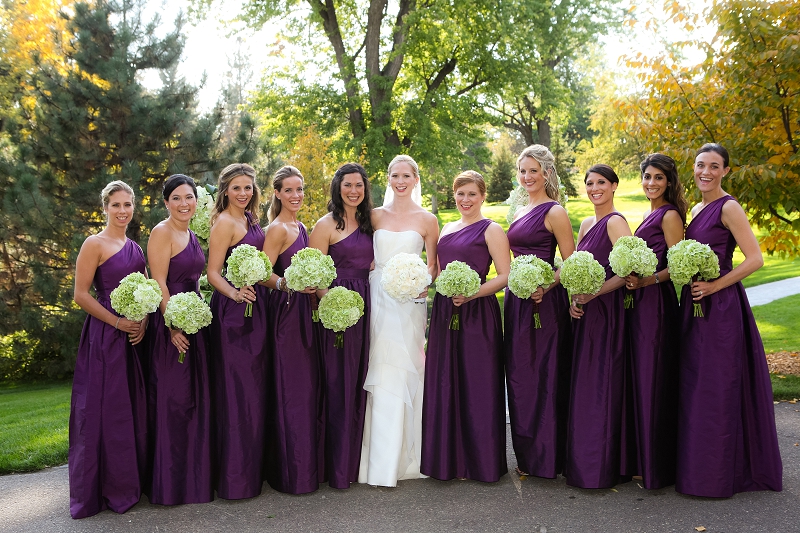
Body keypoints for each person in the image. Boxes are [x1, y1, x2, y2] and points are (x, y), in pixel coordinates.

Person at [676, 143, 782, 497]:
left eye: (714, 166)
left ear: (725, 171)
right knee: (697, 386)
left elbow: (755, 259)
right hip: (695, 308)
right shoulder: (696, 207)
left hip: (721, 309)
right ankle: (698, 467)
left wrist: (714, 286)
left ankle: (719, 474)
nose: (705, 172)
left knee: (717, 387)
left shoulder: (729, 207)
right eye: (700, 165)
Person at [421, 170, 509, 482]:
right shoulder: (446, 227)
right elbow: (438, 269)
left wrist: (473, 292)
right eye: (460, 194)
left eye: (472, 194)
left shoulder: (492, 229)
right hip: (446, 311)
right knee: (446, 381)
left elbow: (504, 275)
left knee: (478, 383)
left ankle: (481, 462)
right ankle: (449, 460)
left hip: (478, 313)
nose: (465, 200)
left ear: (483, 196)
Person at [358, 154, 439, 487]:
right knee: (379, 367)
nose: (400, 181)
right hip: (378, 300)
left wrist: (418, 284)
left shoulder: (428, 220)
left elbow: (433, 267)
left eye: (407, 175)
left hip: (411, 302)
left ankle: (408, 456)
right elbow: (360, 256)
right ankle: (377, 459)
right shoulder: (374, 216)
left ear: (416, 179)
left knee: (407, 367)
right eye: (395, 175)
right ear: (388, 178)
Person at [69, 181, 148, 519]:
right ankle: (96, 491)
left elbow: (146, 290)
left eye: (127, 205)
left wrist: (141, 322)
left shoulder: (136, 248)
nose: (122, 211)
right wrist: (116, 323)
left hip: (132, 339)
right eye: (115, 205)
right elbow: (81, 295)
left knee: (127, 411)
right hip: (103, 337)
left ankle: (125, 486)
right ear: (104, 208)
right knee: (101, 410)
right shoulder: (94, 243)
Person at [504, 145, 575, 479]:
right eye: (522, 171)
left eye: (533, 170)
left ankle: (549, 458)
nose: (527, 177)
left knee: (544, 376)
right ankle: (528, 457)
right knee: (520, 378)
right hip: (518, 301)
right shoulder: (519, 208)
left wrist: (545, 286)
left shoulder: (554, 211)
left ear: (547, 172)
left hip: (545, 304)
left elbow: (571, 262)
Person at [145, 174, 213, 505]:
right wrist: (173, 325)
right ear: (166, 203)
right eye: (177, 198)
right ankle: (170, 483)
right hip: (171, 325)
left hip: (195, 321)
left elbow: (196, 279)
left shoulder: (190, 232)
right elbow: (158, 281)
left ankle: (193, 478)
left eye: (189, 197)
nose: (184, 203)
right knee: (174, 401)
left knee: (192, 401)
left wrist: (198, 317)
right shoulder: (162, 233)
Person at [565, 164, 632, 489]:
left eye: (601, 182)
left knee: (601, 385)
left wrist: (593, 294)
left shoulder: (616, 222)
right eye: (589, 183)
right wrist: (574, 301)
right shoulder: (586, 223)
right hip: (586, 315)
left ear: (614, 185)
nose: (594, 188)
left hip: (608, 314)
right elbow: (575, 268)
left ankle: (601, 467)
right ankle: (582, 462)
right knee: (584, 387)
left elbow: (626, 273)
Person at [622, 154, 686, 489]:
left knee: (652, 378)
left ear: (670, 182)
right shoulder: (650, 213)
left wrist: (649, 281)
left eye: (658, 178)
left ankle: (656, 465)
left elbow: (677, 265)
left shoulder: (670, 214)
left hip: (657, 306)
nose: (651, 183)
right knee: (640, 378)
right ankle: (641, 457)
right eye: (647, 177)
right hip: (638, 304)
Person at [309, 163, 374, 489]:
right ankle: (336, 467)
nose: (353, 191)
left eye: (359, 185)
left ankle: (360, 463)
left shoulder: (370, 222)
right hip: (339, 313)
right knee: (340, 383)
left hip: (371, 306)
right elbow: (315, 274)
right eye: (348, 185)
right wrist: (334, 304)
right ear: (338, 187)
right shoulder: (325, 226)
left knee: (363, 381)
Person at [207, 163, 269, 499]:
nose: (243, 193)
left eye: (248, 188)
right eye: (236, 188)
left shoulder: (252, 220)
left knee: (254, 392)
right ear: (225, 191)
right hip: (233, 315)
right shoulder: (224, 223)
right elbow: (213, 272)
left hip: (256, 312)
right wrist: (235, 293)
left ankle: (253, 471)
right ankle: (235, 479)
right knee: (236, 393)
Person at [263, 165, 323, 494]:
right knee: (292, 389)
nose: (296, 195)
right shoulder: (277, 229)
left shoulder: (300, 226)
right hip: (286, 312)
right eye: (289, 190)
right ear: (277, 193)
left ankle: (305, 467)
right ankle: (292, 473)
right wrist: (289, 283)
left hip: (303, 311)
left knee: (305, 389)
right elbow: (262, 272)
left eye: (299, 189)